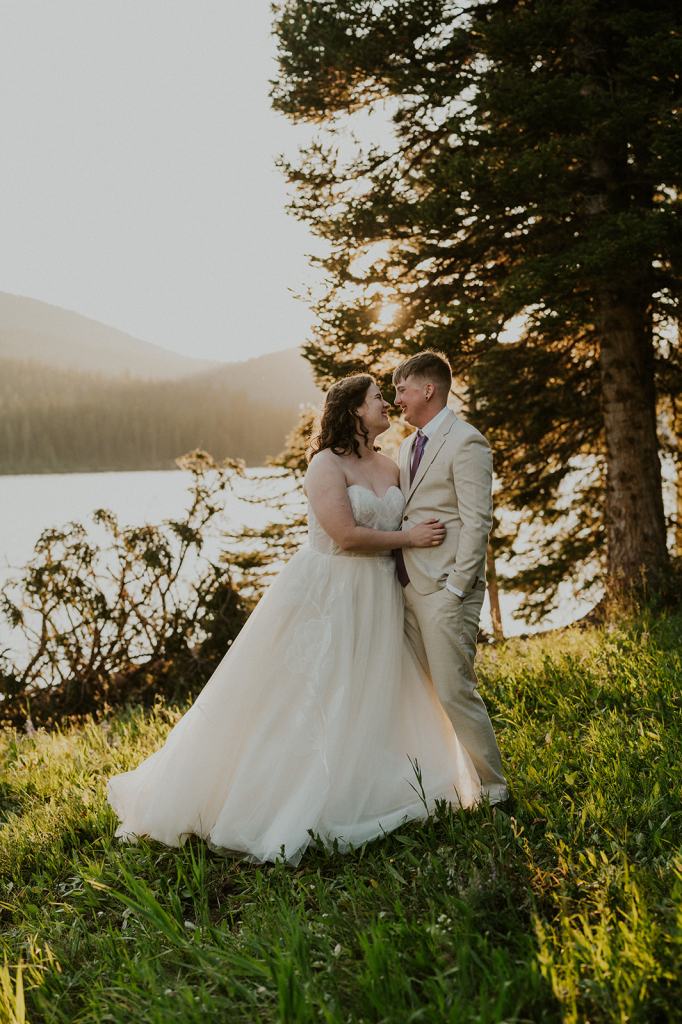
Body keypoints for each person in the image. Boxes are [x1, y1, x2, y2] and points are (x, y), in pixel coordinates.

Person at [106, 373, 483, 865]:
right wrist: (409, 540)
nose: (387, 404)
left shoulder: (392, 466)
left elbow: (416, 514)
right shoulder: (325, 465)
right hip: (331, 590)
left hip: (380, 596)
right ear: (353, 411)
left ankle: (379, 784)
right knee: (317, 690)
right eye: (377, 399)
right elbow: (345, 535)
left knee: (373, 688)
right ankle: (288, 798)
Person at [393, 351, 509, 806]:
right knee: (419, 693)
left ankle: (496, 790)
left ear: (428, 389)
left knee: (454, 690)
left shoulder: (467, 442)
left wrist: (458, 588)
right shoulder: (407, 446)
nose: (396, 398)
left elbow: (477, 521)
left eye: (401, 389)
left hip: (446, 589)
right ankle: (443, 784)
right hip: (408, 586)